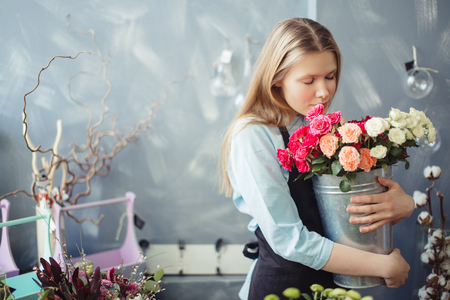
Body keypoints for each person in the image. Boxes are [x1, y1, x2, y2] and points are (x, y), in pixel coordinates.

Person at [218, 17, 414, 300]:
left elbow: (339, 213)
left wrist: (401, 206)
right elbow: (289, 240)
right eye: (308, 80)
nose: (323, 91)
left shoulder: (316, 125)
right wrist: (382, 265)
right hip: (284, 288)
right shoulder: (253, 135)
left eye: (330, 76)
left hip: (332, 285)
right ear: (276, 78)